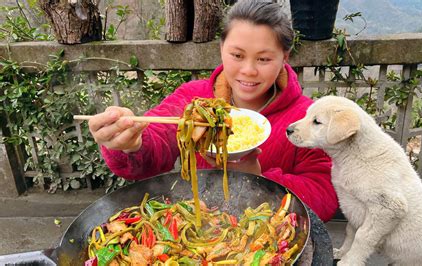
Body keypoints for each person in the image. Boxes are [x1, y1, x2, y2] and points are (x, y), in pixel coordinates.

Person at [87, 0, 338, 222]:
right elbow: (156, 139)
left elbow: (325, 196)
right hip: (201, 223)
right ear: (221, 49)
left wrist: (258, 179)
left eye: (263, 59)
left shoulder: (307, 117)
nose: (248, 70)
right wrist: (131, 142)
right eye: (237, 55)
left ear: (285, 56)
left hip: (267, 233)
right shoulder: (194, 99)